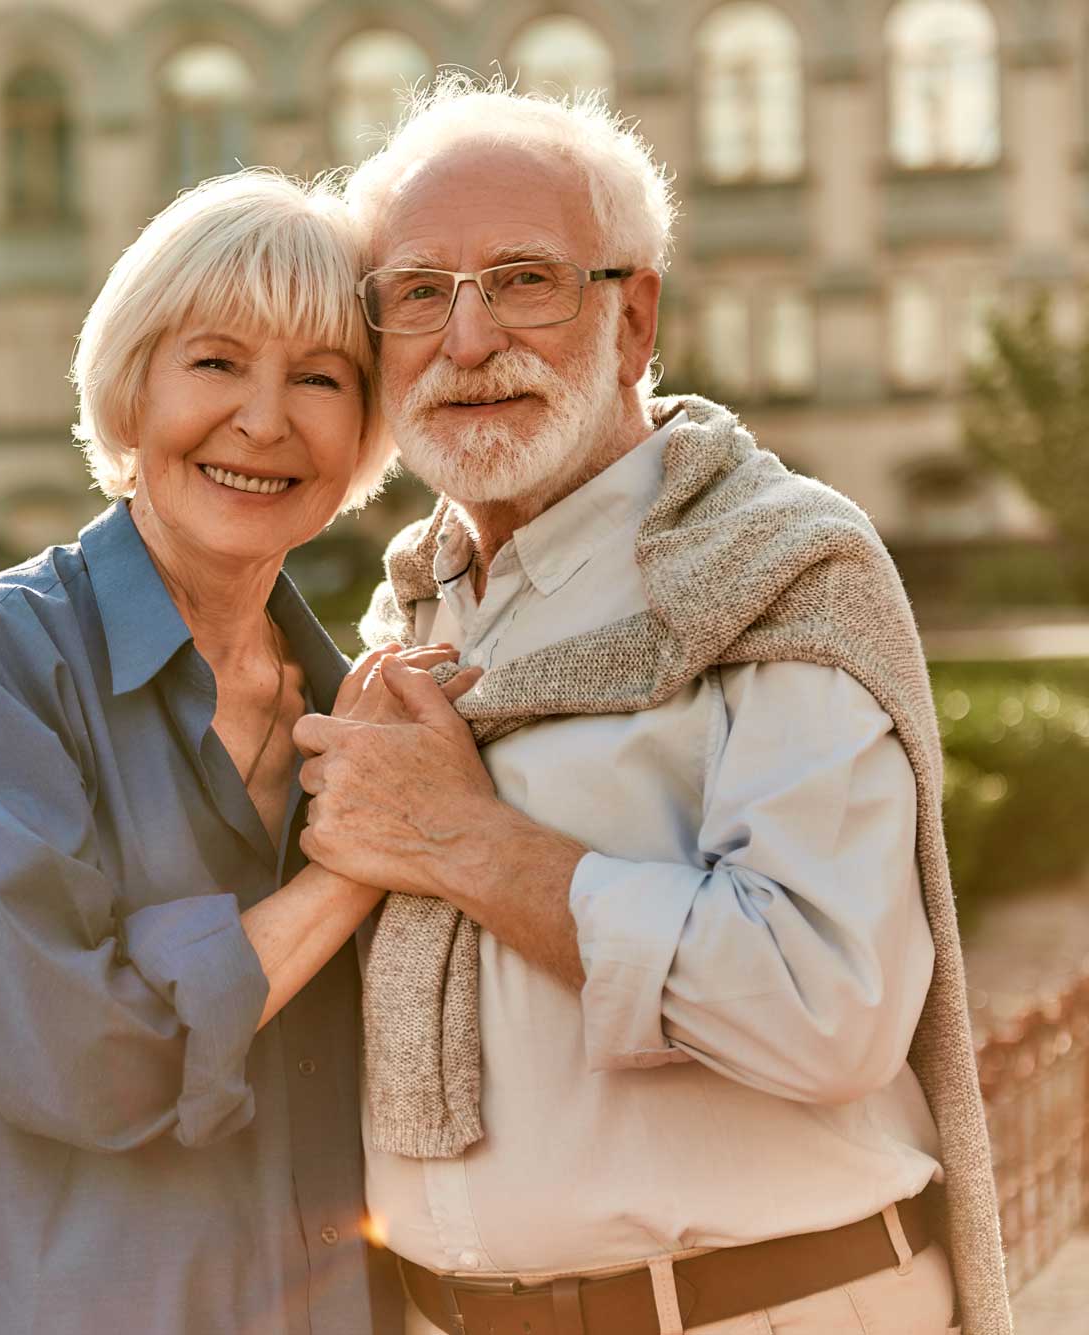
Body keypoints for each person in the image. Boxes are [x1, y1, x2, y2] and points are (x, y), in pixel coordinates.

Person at [291, 76, 1010, 1335]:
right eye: (417, 293)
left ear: (631, 319)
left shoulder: (769, 568)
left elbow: (821, 1005)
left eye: (523, 279)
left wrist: (463, 841)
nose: (464, 344)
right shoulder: (409, 612)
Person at [0, 170, 469, 1334]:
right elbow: (81, 1058)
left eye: (320, 378)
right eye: (216, 362)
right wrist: (351, 870)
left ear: (366, 431)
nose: (265, 420)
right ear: (131, 389)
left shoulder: (364, 714)